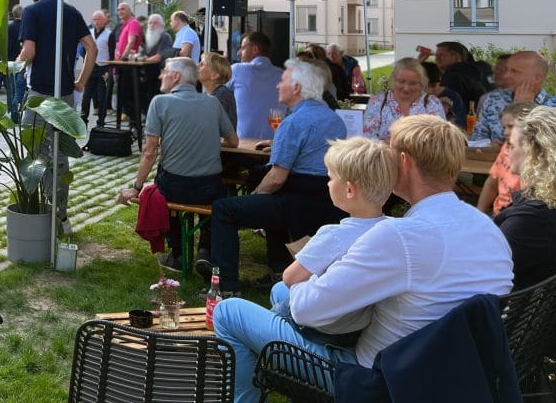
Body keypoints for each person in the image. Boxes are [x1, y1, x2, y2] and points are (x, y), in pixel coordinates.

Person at [214, 115, 514, 403]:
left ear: (404, 161)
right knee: (283, 292)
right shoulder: (486, 228)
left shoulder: (400, 236)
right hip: (457, 370)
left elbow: (307, 311)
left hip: (379, 379)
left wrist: (316, 274)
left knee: (230, 311)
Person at [201, 60, 347, 293]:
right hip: (327, 200)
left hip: (295, 200)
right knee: (270, 200)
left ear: (297, 88)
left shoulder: (293, 122)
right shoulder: (334, 119)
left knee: (224, 209)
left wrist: (255, 195)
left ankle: (225, 286)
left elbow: (277, 178)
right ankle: (278, 270)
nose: (278, 85)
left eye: (283, 80)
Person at [269, 137, 397, 339]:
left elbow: (289, 277)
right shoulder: (391, 229)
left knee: (230, 311)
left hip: (323, 328)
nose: (327, 184)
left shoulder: (334, 235)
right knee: (278, 291)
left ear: (349, 189)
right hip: (354, 328)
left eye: (330, 178)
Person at [116, 57, 238, 268]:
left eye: (164, 71)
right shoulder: (212, 102)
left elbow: (149, 151)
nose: (160, 75)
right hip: (209, 187)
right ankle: (205, 251)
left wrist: (136, 187)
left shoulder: (160, 102)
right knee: (217, 194)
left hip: (176, 187)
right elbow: (234, 142)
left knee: (161, 182)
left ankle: (179, 254)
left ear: (176, 77)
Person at [18, 0, 96, 232]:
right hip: (65, 95)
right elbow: (92, 48)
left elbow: (28, 51)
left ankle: (39, 207)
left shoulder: (32, 11)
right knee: (61, 156)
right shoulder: (71, 11)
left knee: (35, 153)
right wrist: (81, 82)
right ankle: (61, 215)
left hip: (39, 94)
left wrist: (12, 65)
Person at [496, 106, 556, 290]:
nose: (506, 151)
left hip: (508, 314)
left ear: (534, 153)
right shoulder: (542, 209)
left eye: (511, 145)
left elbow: (481, 274)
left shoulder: (530, 221)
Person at [473, 50, 556, 144]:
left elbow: (548, 148)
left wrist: (521, 109)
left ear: (537, 78)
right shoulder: (493, 100)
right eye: (507, 70)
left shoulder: (552, 107)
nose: (506, 76)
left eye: (514, 71)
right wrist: (488, 145)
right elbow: (476, 139)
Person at [362, 57, 446, 140]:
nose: (406, 88)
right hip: (384, 153)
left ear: (422, 82)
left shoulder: (431, 103)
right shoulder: (377, 101)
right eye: (401, 81)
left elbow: (440, 138)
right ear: (393, 79)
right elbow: (368, 138)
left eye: (412, 83)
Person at [478, 101, 538, 217]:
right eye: (504, 127)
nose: (505, 132)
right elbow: (492, 183)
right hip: (499, 214)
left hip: (520, 216)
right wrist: (479, 213)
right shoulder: (506, 147)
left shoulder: (537, 156)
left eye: (511, 126)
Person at [226, 31, 283, 139]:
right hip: (273, 145)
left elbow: (217, 91)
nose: (238, 53)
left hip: (244, 147)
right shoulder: (282, 75)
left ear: (255, 49)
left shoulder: (238, 70)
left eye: (242, 48)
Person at [0, 5, 26, 121]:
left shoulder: (8, 29)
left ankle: (2, 112)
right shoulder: (23, 27)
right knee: (13, 90)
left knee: (5, 90)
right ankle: (14, 114)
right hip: (16, 64)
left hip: (7, 63)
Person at [429, 41, 488, 114]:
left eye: (441, 55)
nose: (437, 58)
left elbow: (447, 109)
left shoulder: (453, 77)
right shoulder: (473, 73)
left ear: (456, 57)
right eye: (436, 55)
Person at [79, 10, 110, 126]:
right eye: (95, 19)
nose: (97, 22)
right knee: (86, 96)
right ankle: (83, 120)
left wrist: (108, 71)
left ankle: (101, 122)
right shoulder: (88, 32)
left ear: (104, 21)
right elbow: (82, 49)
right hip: (90, 67)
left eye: (99, 19)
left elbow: (112, 54)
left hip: (103, 68)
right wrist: (87, 58)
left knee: (102, 97)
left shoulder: (108, 34)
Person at [139, 13, 174, 114]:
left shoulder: (165, 36)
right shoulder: (149, 37)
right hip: (149, 72)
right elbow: (147, 54)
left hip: (159, 73)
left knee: (156, 98)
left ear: (161, 25)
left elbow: (159, 57)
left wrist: (143, 60)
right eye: (150, 23)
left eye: (155, 23)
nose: (151, 25)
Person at [198, 51, 237, 129]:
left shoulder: (222, 95)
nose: (197, 65)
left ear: (214, 75)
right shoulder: (210, 94)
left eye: (202, 65)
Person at [423, 60, 466, 128]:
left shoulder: (452, 96)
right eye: (423, 86)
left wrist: (448, 113)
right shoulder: (408, 98)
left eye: (433, 85)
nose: (429, 91)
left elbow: (458, 129)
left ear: (440, 80)